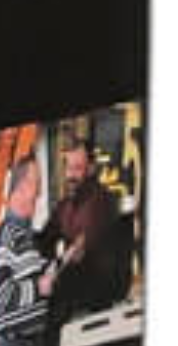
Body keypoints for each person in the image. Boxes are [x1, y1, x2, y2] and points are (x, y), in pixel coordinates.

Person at [43, 133, 130, 324]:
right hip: (73, 289)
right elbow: (45, 238)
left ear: (91, 168)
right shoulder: (65, 205)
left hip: (95, 298)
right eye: (68, 168)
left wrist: (51, 274)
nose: (70, 175)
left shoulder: (102, 201)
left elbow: (79, 249)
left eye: (77, 168)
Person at [0, 152, 54, 346]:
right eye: (36, 184)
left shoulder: (26, 237)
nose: (39, 193)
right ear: (22, 187)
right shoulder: (6, 235)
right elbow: (0, 295)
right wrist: (39, 287)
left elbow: (34, 280)